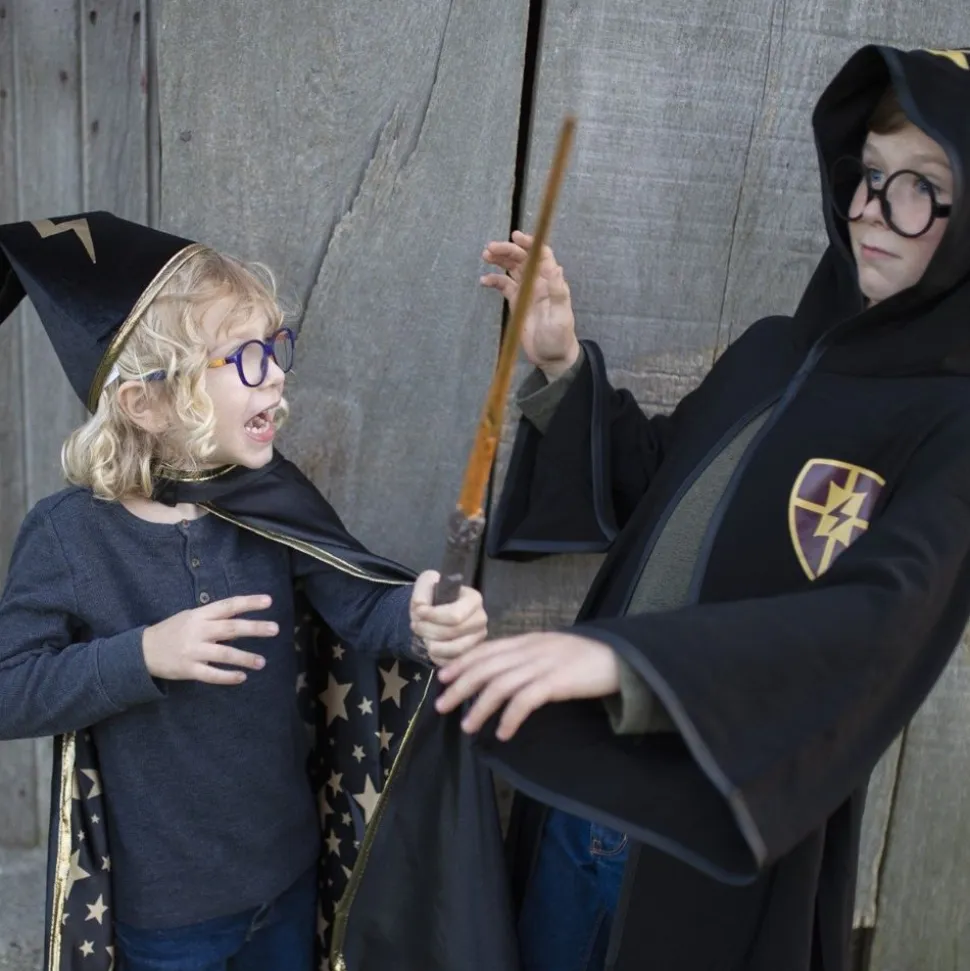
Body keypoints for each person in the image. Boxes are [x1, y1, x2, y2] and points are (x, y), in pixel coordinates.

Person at [436, 44, 970, 971]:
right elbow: (657, 484)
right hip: (585, 793)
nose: (872, 209)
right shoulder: (771, 350)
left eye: (920, 187)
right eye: (871, 174)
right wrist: (560, 360)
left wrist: (628, 659)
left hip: (711, 835)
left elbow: (878, 623)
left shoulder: (950, 422)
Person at [0, 213, 488, 971]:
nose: (276, 374)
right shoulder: (69, 537)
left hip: (287, 878)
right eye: (242, 358)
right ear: (146, 403)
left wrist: (422, 615)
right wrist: (144, 655)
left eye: (274, 346)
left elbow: (359, 604)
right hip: (168, 915)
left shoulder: (268, 497)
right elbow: (10, 689)